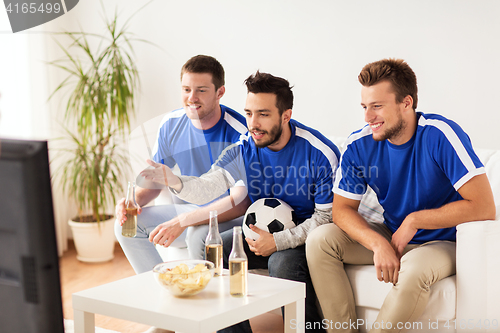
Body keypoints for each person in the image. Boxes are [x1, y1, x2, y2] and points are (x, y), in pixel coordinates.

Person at [140, 71, 341, 333]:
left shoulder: (319, 153)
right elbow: (209, 186)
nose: (253, 123)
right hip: (259, 235)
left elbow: (327, 218)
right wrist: (175, 181)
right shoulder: (244, 147)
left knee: (282, 263)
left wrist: (278, 242)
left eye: (263, 114)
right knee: (213, 251)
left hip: (303, 238)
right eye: (248, 113)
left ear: (286, 116)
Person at [306, 58, 496, 333]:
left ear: (406, 103)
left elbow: (484, 207)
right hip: (392, 235)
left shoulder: (439, 135)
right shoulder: (359, 145)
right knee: (320, 240)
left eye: (377, 106)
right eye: (365, 107)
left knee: (415, 269)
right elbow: (342, 210)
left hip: (442, 241)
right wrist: (377, 244)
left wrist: (415, 220)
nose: (368, 117)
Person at [115, 55, 248, 273]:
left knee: (199, 234)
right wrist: (132, 202)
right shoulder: (171, 124)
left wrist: (184, 221)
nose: (192, 98)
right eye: (186, 89)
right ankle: (162, 289)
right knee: (125, 225)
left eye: (201, 90)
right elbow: (155, 183)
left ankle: (209, 302)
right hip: (189, 209)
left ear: (220, 93)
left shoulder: (240, 133)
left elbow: (240, 203)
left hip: (228, 215)